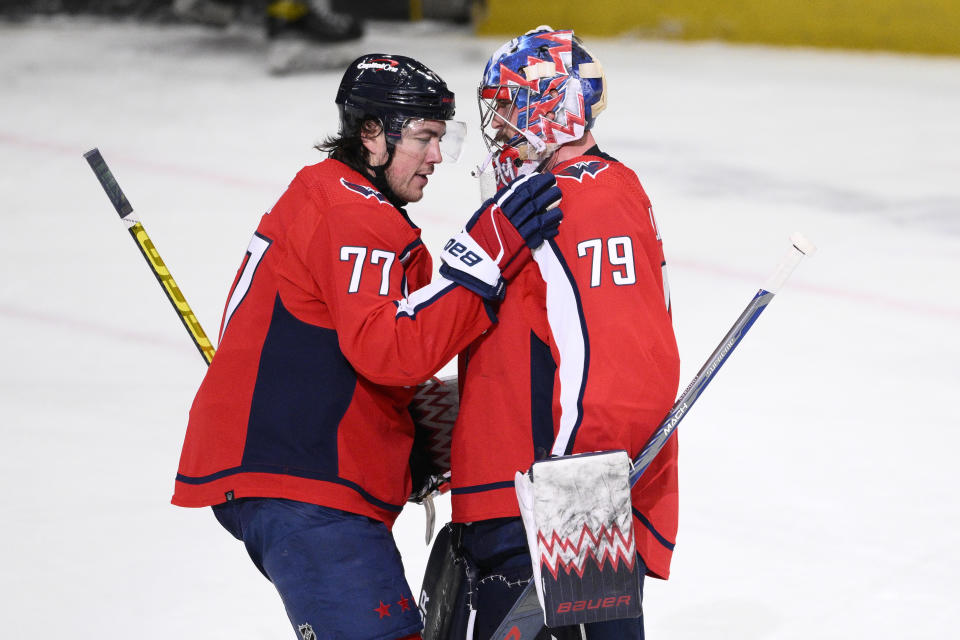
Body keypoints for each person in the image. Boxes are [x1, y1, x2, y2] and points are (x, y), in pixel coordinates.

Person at [171, 53, 563, 640]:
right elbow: (390, 351)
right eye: (424, 138)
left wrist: (405, 428)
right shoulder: (352, 212)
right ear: (372, 133)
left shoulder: (335, 200)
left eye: (443, 138)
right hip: (303, 482)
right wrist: (486, 254)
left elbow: (350, 349)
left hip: (302, 477)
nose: (436, 157)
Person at [437, 27, 681, 639]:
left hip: (554, 511)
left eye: (508, 111)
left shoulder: (587, 197)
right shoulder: (540, 197)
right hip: (520, 503)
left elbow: (624, 368)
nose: (497, 131)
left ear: (550, 109)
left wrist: (576, 502)